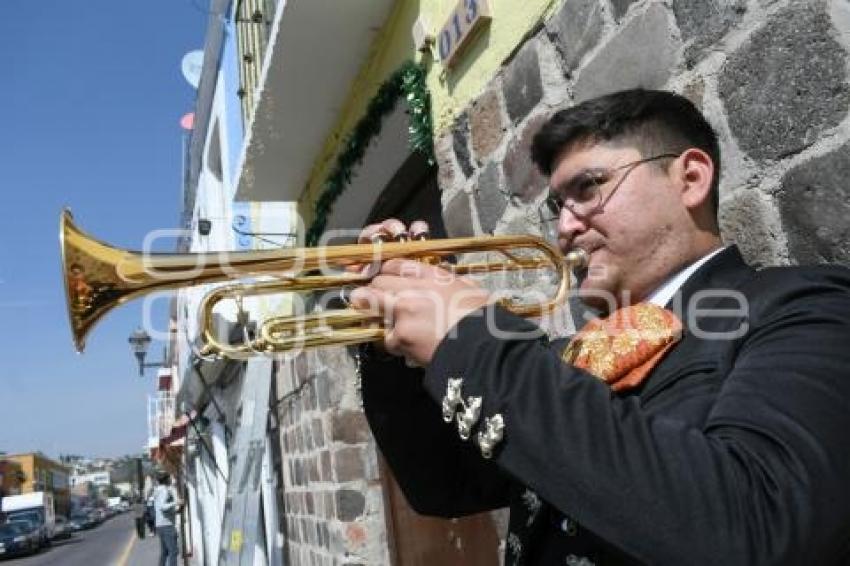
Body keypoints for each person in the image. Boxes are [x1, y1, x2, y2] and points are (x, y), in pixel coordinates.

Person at [350, 89, 850, 564]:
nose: (565, 228)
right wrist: (390, 344)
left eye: (588, 188)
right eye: (556, 208)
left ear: (691, 179)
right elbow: (444, 486)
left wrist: (473, 340)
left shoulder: (805, 307)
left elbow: (757, 529)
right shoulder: (568, 355)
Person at [152, 472, 181, 566]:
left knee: (164, 552)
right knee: (173, 551)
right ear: (166, 480)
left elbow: (160, 508)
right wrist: (176, 502)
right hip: (167, 525)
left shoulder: (156, 490)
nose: (170, 480)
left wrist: (174, 512)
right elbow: (163, 507)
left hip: (160, 525)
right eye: (169, 478)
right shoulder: (165, 490)